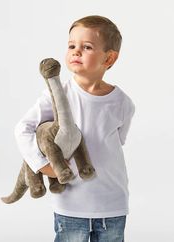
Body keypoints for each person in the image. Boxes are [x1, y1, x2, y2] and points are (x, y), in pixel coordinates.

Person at [14, 15, 135, 242]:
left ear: (109, 58)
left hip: (112, 203)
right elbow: (23, 128)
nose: (76, 51)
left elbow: (117, 142)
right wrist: (42, 165)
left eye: (86, 47)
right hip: (71, 205)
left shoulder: (122, 103)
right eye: (71, 45)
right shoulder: (58, 95)